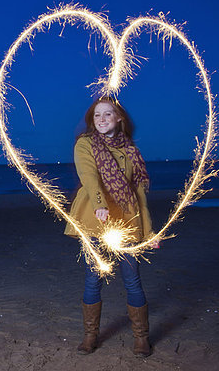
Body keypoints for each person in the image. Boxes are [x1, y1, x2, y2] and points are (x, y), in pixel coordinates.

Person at [64, 95, 156, 357]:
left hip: (126, 221)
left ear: (119, 119)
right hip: (95, 219)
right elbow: (89, 176)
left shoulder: (130, 151)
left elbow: (139, 195)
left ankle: (141, 339)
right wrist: (99, 204)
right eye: (97, 115)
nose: (101, 119)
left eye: (107, 114)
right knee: (93, 279)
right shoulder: (85, 144)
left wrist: (148, 231)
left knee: (132, 280)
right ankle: (90, 336)